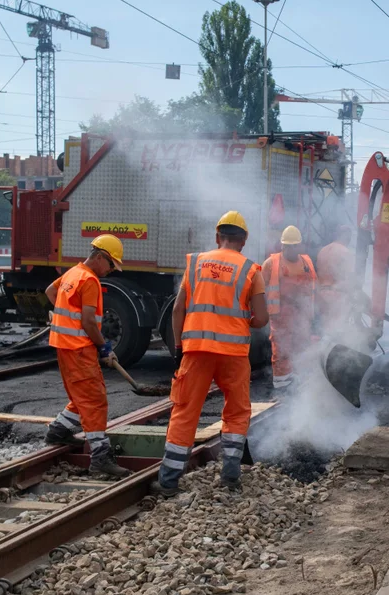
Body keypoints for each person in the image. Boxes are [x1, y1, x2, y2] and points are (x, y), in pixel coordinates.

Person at [151, 211, 268, 496]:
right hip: (234, 354)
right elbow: (262, 318)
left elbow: (178, 310)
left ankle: (168, 481)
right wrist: (245, 321)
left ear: (218, 238)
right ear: (243, 241)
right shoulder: (251, 270)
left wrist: (179, 348)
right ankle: (230, 476)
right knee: (237, 411)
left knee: (185, 411)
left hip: (196, 351)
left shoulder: (196, 264)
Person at [44, 234, 130, 479]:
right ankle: (101, 456)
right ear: (101, 257)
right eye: (112, 264)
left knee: (81, 394)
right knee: (95, 399)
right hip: (79, 348)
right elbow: (89, 321)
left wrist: (62, 317)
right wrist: (104, 347)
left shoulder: (73, 273)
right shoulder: (90, 280)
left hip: (64, 345)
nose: (112, 270)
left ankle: (58, 430)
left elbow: (52, 291)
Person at [261, 225, 316, 389]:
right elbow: (260, 289)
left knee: (302, 348)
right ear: (282, 245)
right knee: (281, 350)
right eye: (288, 246)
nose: (291, 249)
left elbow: (314, 287)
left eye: (295, 245)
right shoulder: (271, 263)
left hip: (301, 316)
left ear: (299, 245)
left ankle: (299, 383)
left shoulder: (306, 263)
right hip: (280, 317)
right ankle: (281, 385)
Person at [316, 224, 355, 331]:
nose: (350, 239)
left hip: (322, 294)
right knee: (337, 331)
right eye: (349, 236)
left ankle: (323, 347)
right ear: (345, 236)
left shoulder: (322, 251)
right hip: (337, 295)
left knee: (325, 328)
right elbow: (349, 278)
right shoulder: (345, 252)